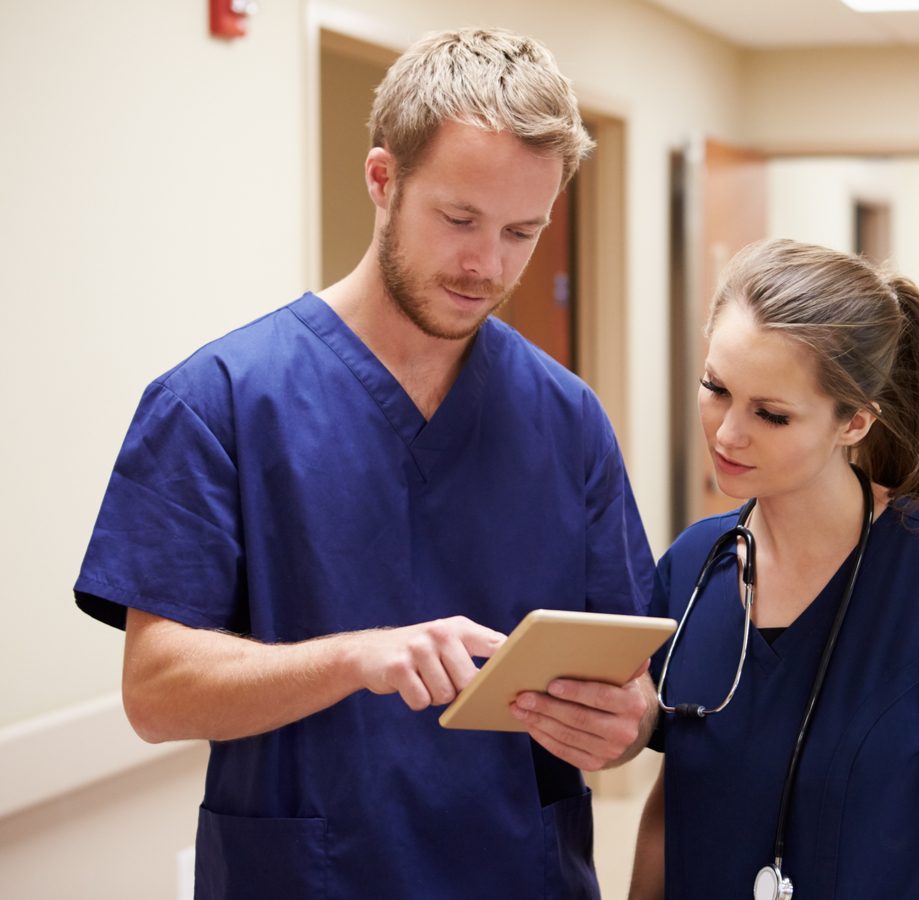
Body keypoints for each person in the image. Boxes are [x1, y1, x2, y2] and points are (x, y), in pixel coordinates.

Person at [74, 27, 657, 900]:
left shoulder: (567, 419)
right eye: (459, 219)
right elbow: (156, 694)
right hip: (309, 877)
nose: (486, 265)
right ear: (383, 180)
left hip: (514, 872)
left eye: (521, 232)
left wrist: (624, 723)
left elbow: (632, 688)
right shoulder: (220, 400)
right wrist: (357, 659)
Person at [629, 240, 919, 899]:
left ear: (855, 421)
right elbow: (677, 803)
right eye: (715, 389)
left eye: (771, 414)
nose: (727, 433)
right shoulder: (694, 565)